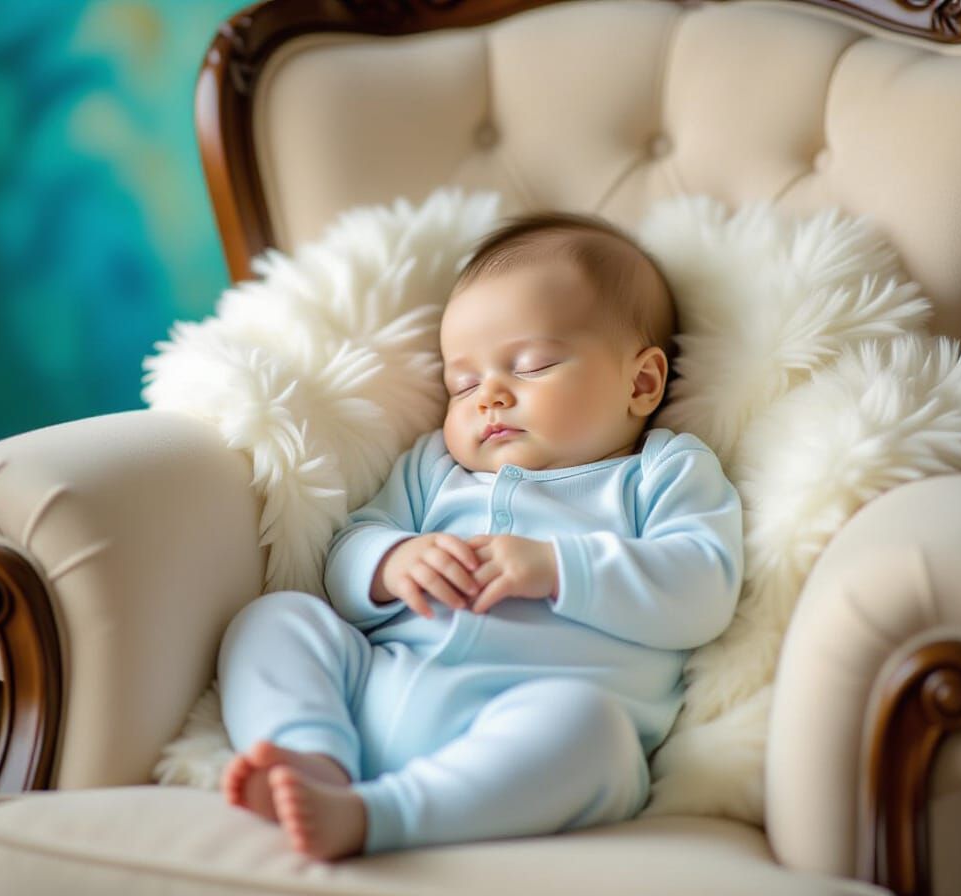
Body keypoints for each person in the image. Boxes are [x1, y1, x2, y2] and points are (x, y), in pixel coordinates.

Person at [218, 212, 744, 860]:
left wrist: (558, 567)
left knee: (595, 735)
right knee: (276, 619)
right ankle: (308, 757)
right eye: (463, 383)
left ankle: (377, 815)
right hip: (380, 687)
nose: (488, 397)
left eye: (531, 366)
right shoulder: (433, 468)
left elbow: (704, 585)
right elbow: (349, 548)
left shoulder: (661, 471)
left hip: (532, 732)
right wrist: (390, 561)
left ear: (641, 383)